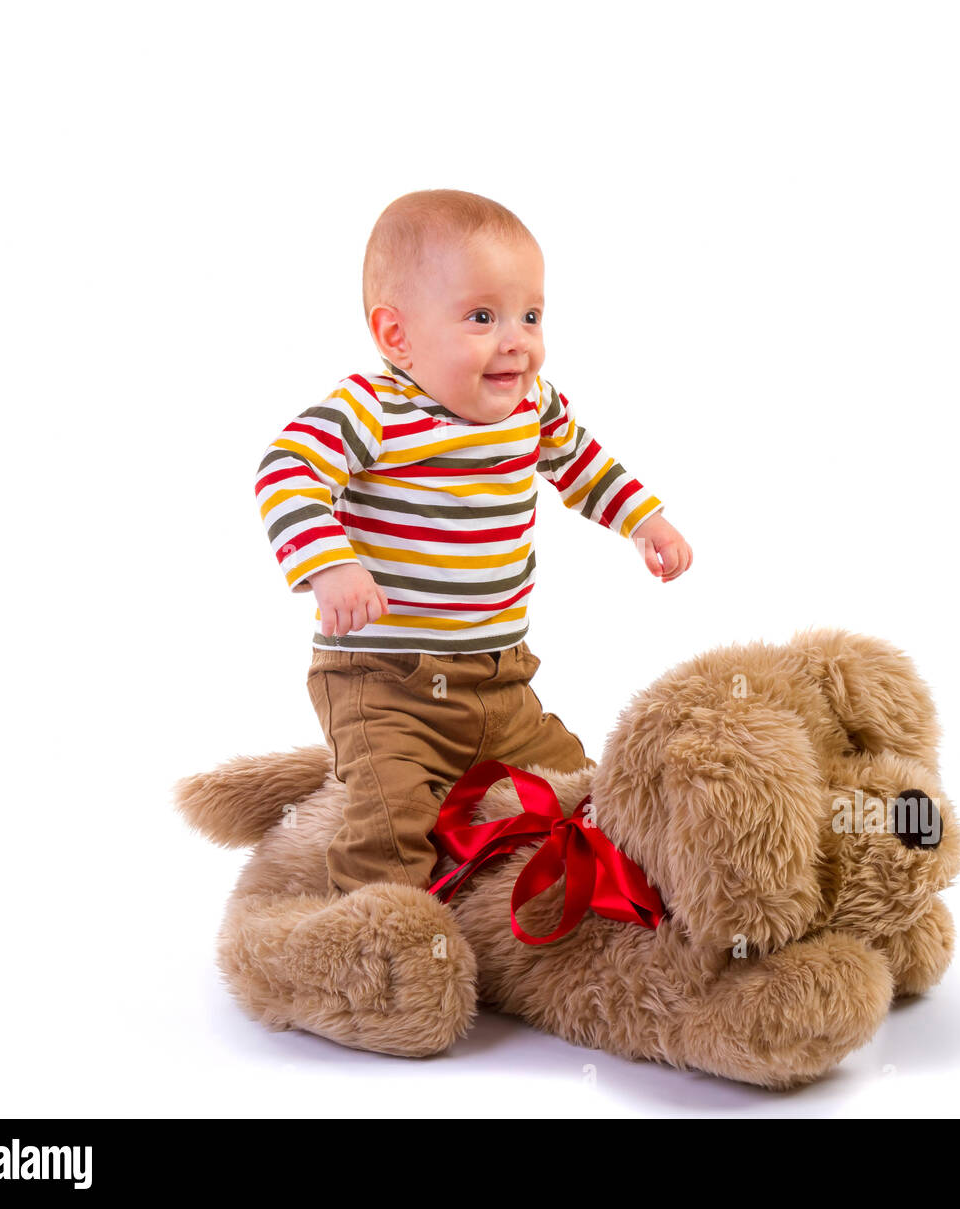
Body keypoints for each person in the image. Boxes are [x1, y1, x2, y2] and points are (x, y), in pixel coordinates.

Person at [255, 189, 693, 896]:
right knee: (391, 820)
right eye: (482, 317)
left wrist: (645, 519)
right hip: (385, 685)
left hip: (502, 682)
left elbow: (583, 463)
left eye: (530, 314)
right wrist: (330, 564)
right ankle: (378, 943)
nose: (516, 339)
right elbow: (287, 467)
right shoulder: (377, 406)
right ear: (397, 336)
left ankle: (582, 904)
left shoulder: (532, 405)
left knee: (580, 794)